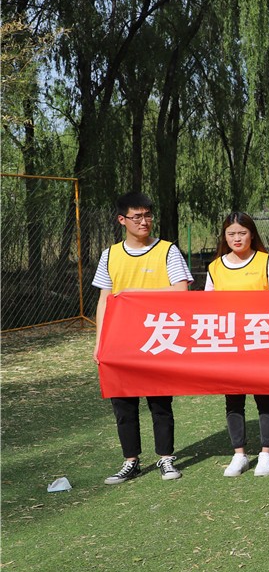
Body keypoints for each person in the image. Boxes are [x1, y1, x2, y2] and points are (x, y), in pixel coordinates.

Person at [93, 192, 193, 484]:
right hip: (120, 339)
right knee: (123, 404)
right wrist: (99, 342)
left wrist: (136, 294)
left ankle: (166, 458)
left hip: (157, 337)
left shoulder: (167, 250)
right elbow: (104, 299)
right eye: (137, 216)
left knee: (160, 403)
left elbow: (181, 291)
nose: (144, 221)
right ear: (122, 220)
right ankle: (131, 461)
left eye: (148, 215)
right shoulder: (110, 254)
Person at [206, 212, 269, 477]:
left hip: (260, 339)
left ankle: (266, 453)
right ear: (224, 237)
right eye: (231, 234)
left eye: (242, 233)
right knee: (233, 399)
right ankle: (239, 454)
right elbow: (208, 307)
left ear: (252, 234)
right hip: (229, 342)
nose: (237, 238)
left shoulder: (266, 262)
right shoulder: (215, 267)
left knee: (263, 396)